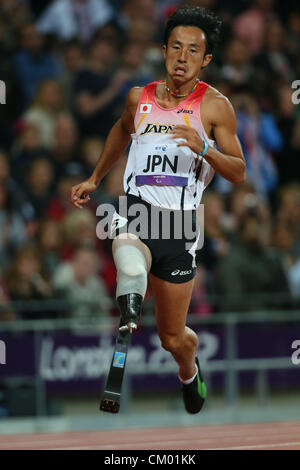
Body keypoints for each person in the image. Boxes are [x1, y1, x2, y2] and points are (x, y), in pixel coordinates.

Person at [71, 6, 246, 414]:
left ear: (206, 60)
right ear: (164, 50)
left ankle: (189, 369)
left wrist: (203, 146)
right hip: (137, 211)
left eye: (193, 51)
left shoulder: (216, 107)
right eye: (175, 48)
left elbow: (238, 172)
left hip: (180, 227)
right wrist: (96, 177)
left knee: (172, 338)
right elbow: (121, 129)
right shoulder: (140, 97)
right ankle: (130, 297)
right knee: (128, 257)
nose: (182, 58)